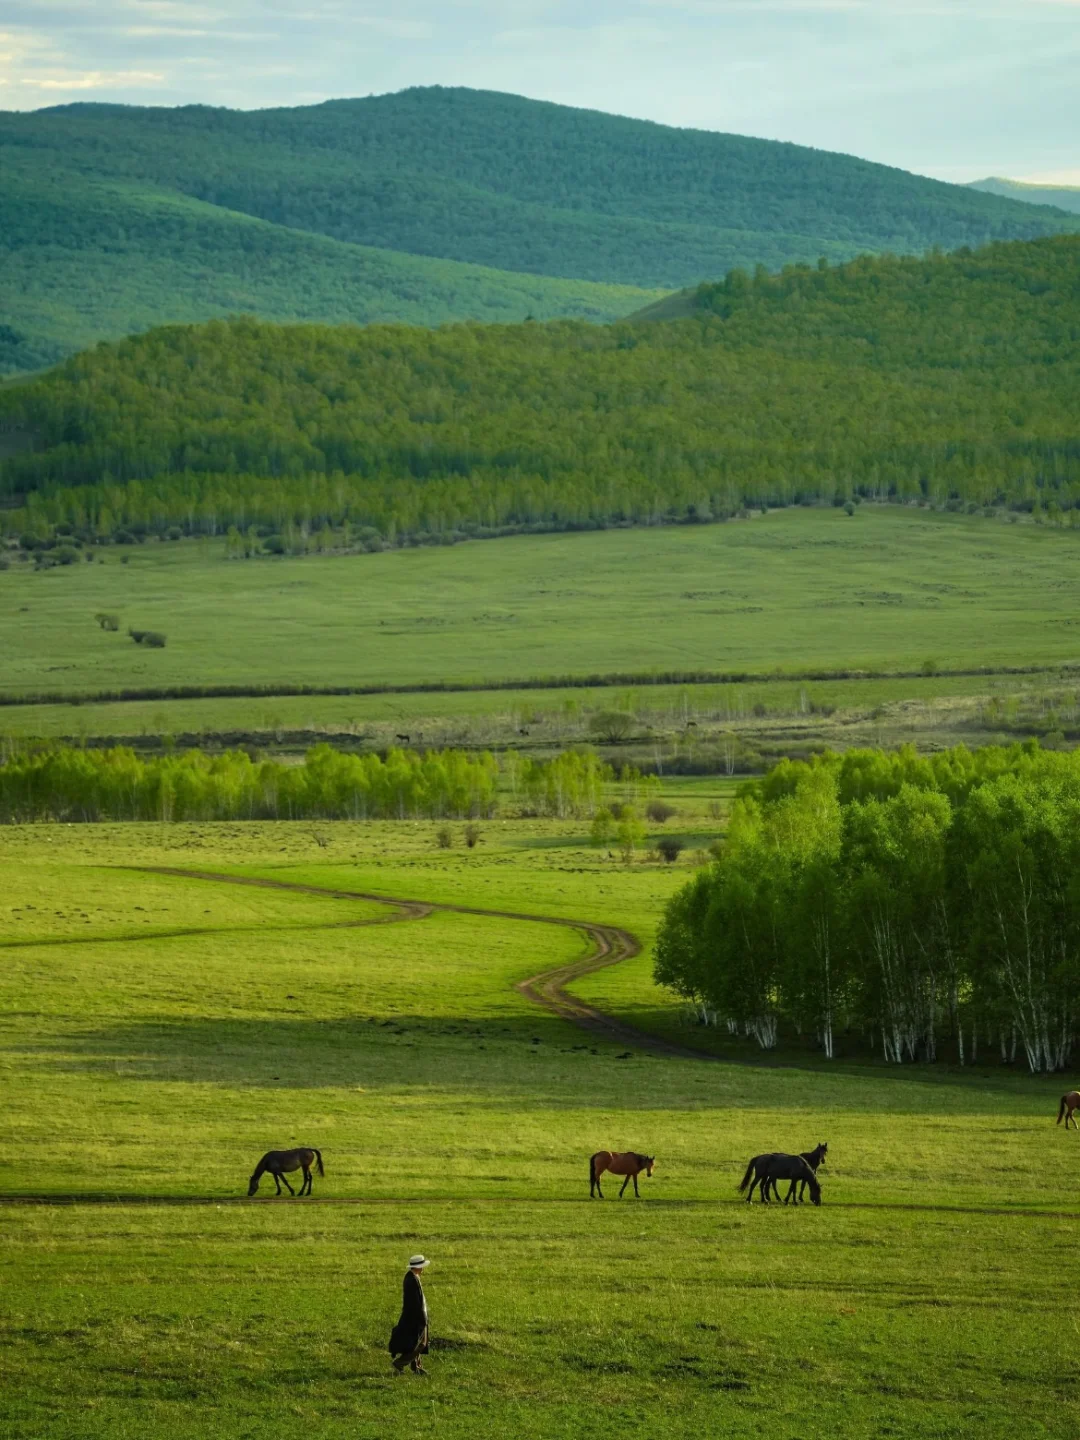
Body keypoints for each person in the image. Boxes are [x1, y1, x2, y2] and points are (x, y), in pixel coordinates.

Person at [389, 1254, 430, 1374]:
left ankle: (416, 1367)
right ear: (418, 1267)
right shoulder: (412, 1280)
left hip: (416, 1316)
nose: (423, 1269)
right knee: (420, 1344)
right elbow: (415, 1303)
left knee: (416, 1343)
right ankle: (399, 1363)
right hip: (415, 1318)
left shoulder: (412, 1277)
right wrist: (422, 1318)